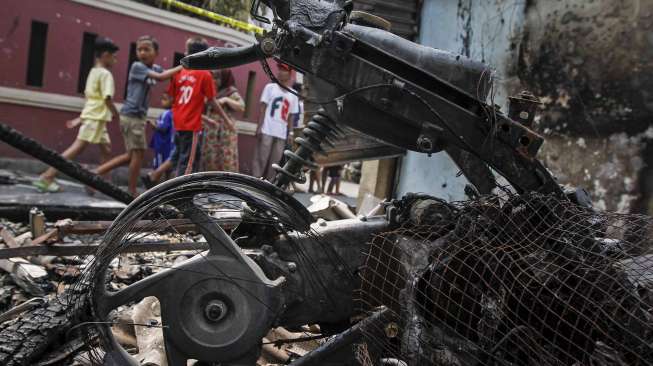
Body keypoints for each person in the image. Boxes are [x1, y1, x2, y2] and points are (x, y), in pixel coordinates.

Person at [91, 35, 182, 196]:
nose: (142, 53)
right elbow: (162, 77)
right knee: (138, 155)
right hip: (132, 116)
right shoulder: (137, 66)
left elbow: (167, 74)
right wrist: (184, 66)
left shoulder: (154, 68)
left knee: (130, 156)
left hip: (136, 117)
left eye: (147, 49)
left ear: (156, 53)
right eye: (139, 49)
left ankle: (94, 174)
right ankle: (132, 192)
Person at [33, 37, 119, 193]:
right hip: (96, 118)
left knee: (106, 150)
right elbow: (106, 98)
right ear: (106, 55)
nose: (115, 60)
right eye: (114, 56)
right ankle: (47, 176)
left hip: (95, 118)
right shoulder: (105, 74)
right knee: (76, 148)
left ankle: (101, 184)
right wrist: (117, 115)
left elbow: (91, 99)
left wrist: (80, 118)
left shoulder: (93, 72)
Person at [166, 37, 225, 177]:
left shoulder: (180, 73)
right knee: (187, 162)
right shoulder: (204, 74)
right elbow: (212, 100)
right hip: (190, 125)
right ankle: (179, 191)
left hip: (178, 121)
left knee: (187, 154)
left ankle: (160, 178)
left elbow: (173, 98)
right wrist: (227, 120)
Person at [251, 63, 300, 182]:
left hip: (281, 132)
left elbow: (291, 117)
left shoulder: (293, 94)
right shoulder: (270, 88)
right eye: (280, 69)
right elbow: (263, 108)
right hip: (267, 129)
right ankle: (255, 180)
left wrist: (291, 133)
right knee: (261, 158)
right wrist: (259, 127)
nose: (280, 72)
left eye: (284, 70)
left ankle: (269, 184)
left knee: (275, 161)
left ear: (289, 74)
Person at [202, 69, 245, 173]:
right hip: (211, 129)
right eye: (213, 78)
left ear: (224, 78)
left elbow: (242, 106)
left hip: (226, 131)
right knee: (210, 157)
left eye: (217, 78)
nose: (214, 81)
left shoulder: (230, 91)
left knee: (226, 159)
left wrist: (226, 100)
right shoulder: (210, 89)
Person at [149, 93, 175, 172]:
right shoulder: (172, 113)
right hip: (169, 146)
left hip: (162, 145)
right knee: (168, 168)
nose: (162, 101)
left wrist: (154, 126)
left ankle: (154, 180)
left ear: (172, 101)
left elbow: (163, 128)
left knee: (159, 166)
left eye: (164, 99)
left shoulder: (167, 114)